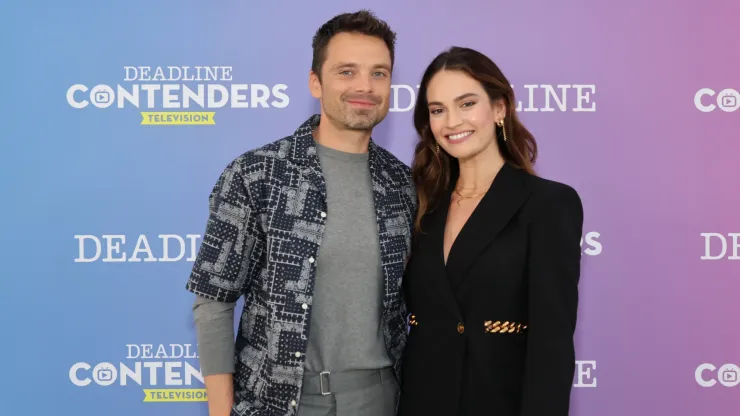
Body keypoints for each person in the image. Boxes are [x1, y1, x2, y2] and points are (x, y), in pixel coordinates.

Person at [185, 10, 416, 416]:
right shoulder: (259, 173)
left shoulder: (402, 184)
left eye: (379, 73)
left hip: (382, 400)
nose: (365, 86)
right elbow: (215, 300)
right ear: (316, 81)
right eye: (347, 71)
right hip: (278, 402)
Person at [397, 46, 584, 416]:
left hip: (499, 401)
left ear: (499, 108)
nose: (452, 121)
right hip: (422, 402)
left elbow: (552, 343)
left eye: (466, 104)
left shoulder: (547, 204)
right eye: (438, 110)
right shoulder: (420, 205)